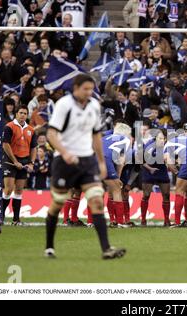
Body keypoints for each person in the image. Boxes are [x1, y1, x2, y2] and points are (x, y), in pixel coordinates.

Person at [45, 74, 125, 260]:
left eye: (91, 89)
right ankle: (49, 246)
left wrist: (101, 162)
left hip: (87, 161)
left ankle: (106, 249)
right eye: (86, 89)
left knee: (97, 201)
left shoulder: (94, 106)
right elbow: (50, 134)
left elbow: (96, 136)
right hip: (64, 161)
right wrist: (64, 152)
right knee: (57, 203)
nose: (89, 92)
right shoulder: (64, 105)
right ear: (76, 88)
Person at [2, 106, 37, 225]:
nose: (23, 115)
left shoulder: (31, 130)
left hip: (24, 162)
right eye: (21, 113)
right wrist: (15, 161)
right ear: (16, 114)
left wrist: (31, 163)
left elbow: (33, 148)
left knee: (19, 190)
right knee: (8, 189)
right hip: (10, 161)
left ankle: (16, 220)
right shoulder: (9, 126)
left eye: (25, 113)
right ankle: (0, 217)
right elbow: (5, 144)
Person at [140, 130, 171, 227]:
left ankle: (166, 220)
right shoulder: (149, 145)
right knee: (146, 195)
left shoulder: (168, 146)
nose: (162, 140)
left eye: (164, 138)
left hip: (161, 171)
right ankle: (143, 220)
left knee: (166, 195)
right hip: (149, 171)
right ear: (155, 138)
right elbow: (141, 160)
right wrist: (150, 168)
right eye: (160, 138)